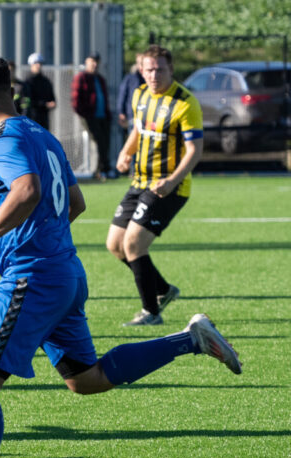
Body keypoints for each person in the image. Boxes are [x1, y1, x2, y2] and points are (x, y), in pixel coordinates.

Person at [0, 54, 242, 458]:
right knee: (86, 379)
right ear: (12, 91)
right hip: (64, 273)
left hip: (31, 278)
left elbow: (27, 190)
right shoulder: (42, 135)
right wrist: (40, 237)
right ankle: (190, 340)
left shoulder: (4, 140)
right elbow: (74, 203)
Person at [109, 45, 203, 326]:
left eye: (160, 69)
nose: (154, 75)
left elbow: (194, 150)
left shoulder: (185, 103)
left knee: (133, 243)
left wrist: (173, 181)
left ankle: (151, 312)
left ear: (170, 69)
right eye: (149, 69)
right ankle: (163, 289)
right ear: (141, 70)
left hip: (169, 186)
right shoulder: (139, 94)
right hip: (139, 181)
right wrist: (126, 152)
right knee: (115, 245)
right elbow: (139, 130)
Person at [71, 52, 112, 179]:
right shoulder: (81, 77)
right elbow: (75, 100)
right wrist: (84, 114)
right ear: (86, 62)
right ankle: (96, 171)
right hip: (89, 116)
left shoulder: (100, 79)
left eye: (96, 62)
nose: (94, 64)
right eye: (92, 61)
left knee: (104, 142)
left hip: (102, 117)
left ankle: (104, 169)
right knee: (96, 141)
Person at [23, 52, 56, 130]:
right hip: (32, 118)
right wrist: (44, 104)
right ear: (31, 65)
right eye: (36, 63)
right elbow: (28, 101)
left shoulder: (46, 81)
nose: (38, 66)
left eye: (40, 63)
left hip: (44, 119)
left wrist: (52, 103)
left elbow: (52, 97)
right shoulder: (27, 82)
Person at [116, 53, 146, 132]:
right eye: (138, 63)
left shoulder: (149, 78)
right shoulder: (130, 78)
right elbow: (122, 94)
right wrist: (121, 112)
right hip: (132, 116)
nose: (140, 65)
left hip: (146, 116)